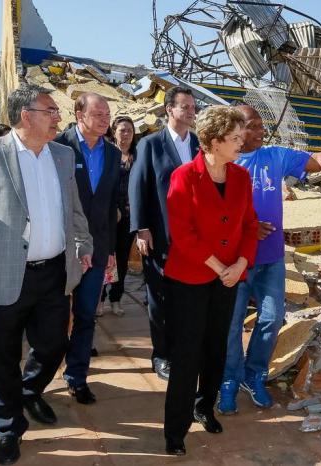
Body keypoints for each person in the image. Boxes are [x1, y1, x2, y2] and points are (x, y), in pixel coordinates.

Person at [0, 84, 93, 465]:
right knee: (2, 356)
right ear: (25, 116)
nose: (57, 117)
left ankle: (29, 391)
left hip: (53, 273)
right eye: (50, 110)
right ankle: (7, 427)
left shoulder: (64, 155)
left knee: (53, 345)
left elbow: (75, 210)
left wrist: (85, 246)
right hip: (1, 273)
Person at [218, 104, 321, 414]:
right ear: (236, 130)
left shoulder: (275, 156)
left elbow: (317, 161)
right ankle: (228, 379)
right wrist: (246, 228)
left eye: (261, 125)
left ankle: (253, 376)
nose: (261, 130)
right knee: (230, 325)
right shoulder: (223, 164)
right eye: (254, 126)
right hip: (236, 260)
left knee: (270, 319)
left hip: (270, 259)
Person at [163, 105, 257, 456]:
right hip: (190, 278)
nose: (241, 142)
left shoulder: (241, 177)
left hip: (229, 277)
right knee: (187, 354)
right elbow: (183, 234)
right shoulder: (184, 176)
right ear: (214, 142)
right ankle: (175, 431)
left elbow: (249, 225)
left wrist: (242, 263)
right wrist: (222, 267)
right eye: (234, 138)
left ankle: (205, 405)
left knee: (216, 346)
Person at [128, 86, 200, 380]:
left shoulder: (198, 144)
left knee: (188, 300)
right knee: (159, 299)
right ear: (169, 109)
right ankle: (161, 355)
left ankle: (184, 351)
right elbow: (138, 186)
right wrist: (142, 228)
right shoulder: (151, 144)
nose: (191, 112)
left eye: (194, 107)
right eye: (186, 107)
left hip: (193, 238)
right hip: (160, 235)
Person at [55, 92, 120, 405]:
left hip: (95, 249)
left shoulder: (112, 153)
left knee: (85, 316)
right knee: (52, 316)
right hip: (57, 246)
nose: (105, 119)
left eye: (107, 113)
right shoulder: (58, 147)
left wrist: (108, 249)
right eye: (98, 113)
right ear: (79, 115)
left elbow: (108, 206)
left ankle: (77, 376)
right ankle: (40, 371)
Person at [99, 116, 137, 316]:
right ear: (114, 132)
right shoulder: (107, 154)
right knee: (106, 256)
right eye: (122, 130)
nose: (126, 134)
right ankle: (100, 297)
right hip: (110, 215)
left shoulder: (137, 156)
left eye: (130, 131)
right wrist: (113, 207)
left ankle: (116, 297)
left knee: (122, 259)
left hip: (130, 216)